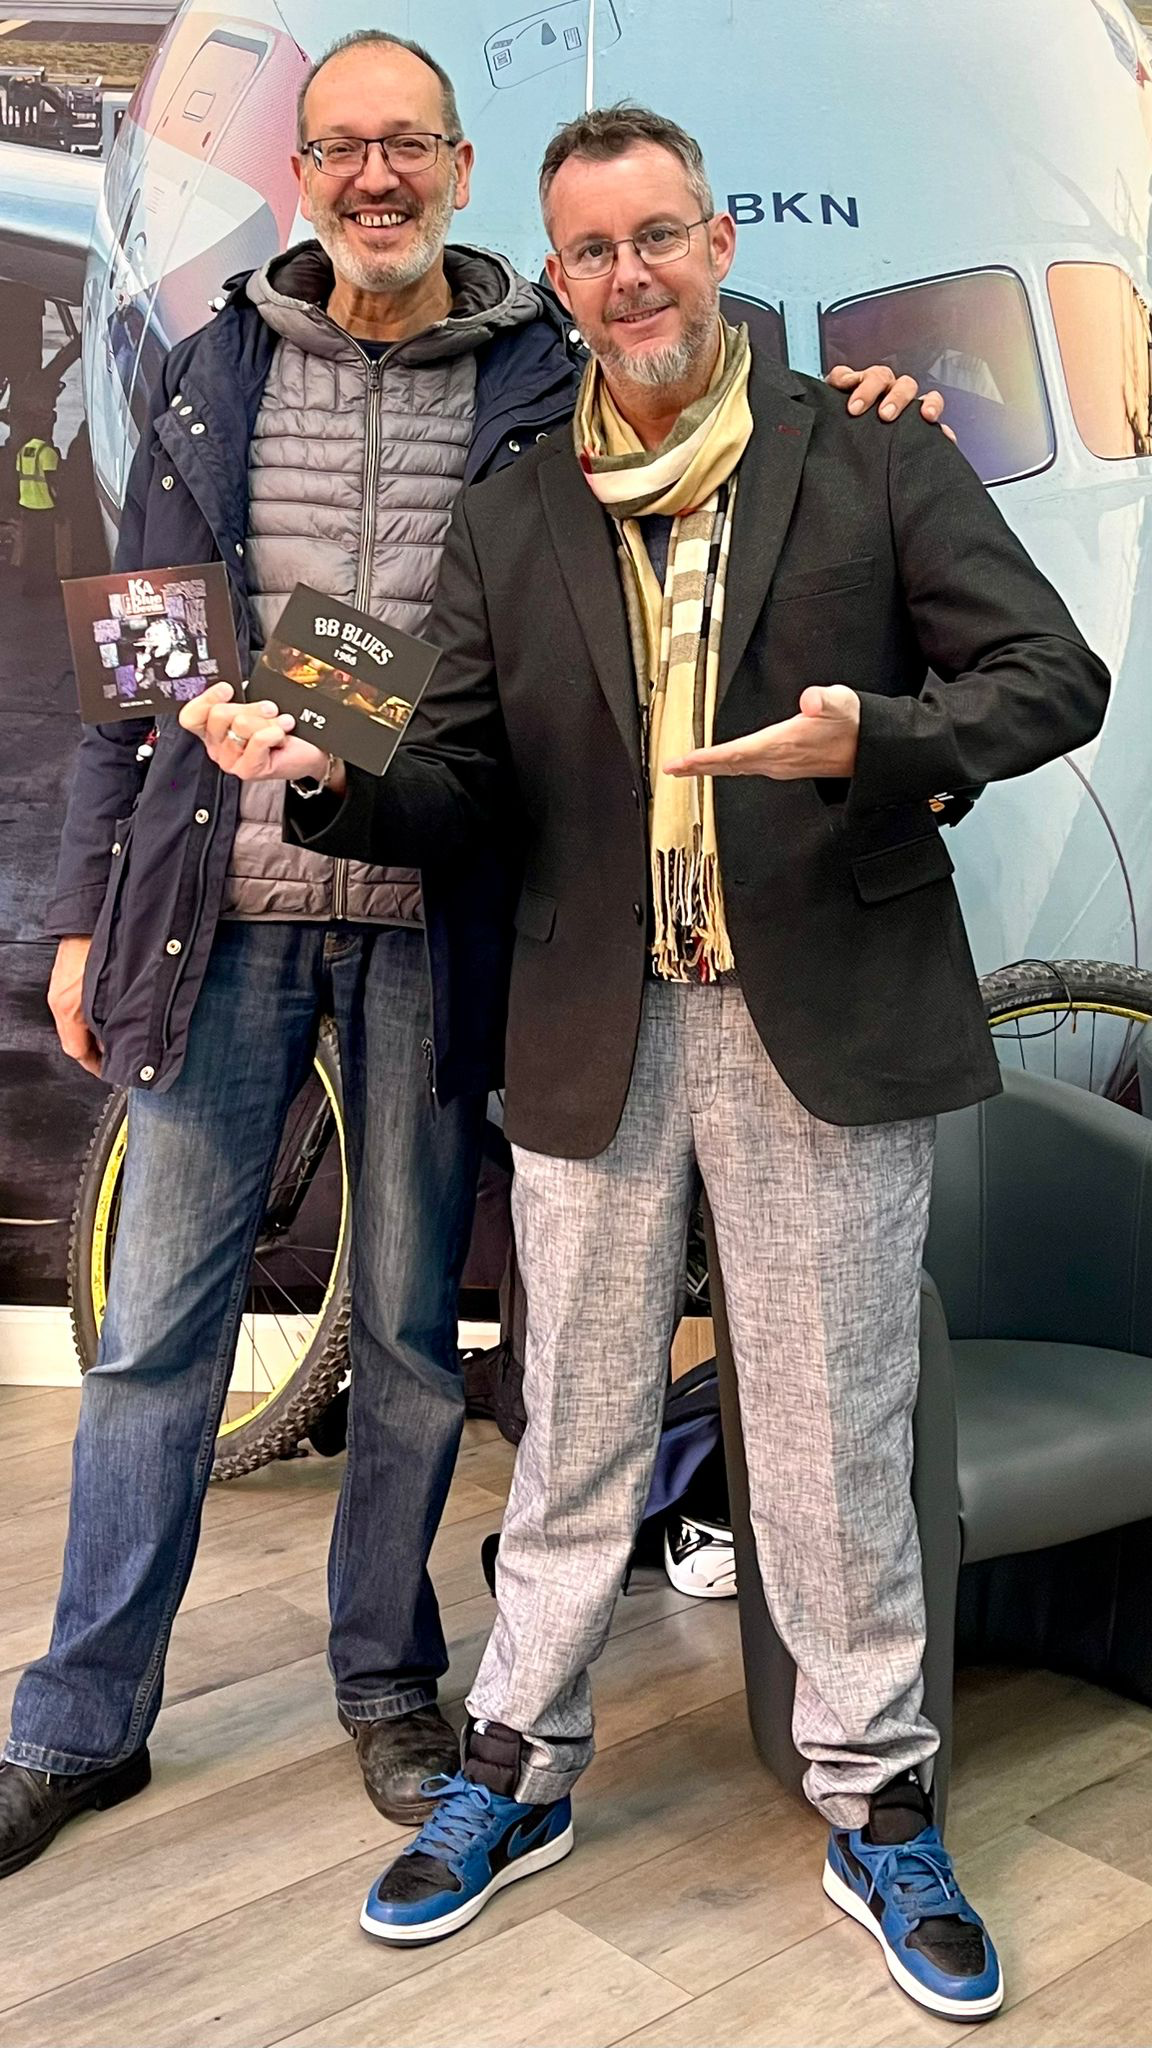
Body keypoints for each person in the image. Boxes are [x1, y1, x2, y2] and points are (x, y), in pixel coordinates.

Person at [191, 104, 1110, 2019]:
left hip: (815, 1014)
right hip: (595, 1023)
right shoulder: (514, 505)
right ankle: (515, 1763)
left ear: (717, 241)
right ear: (561, 275)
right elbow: (454, 778)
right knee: (576, 1419)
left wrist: (873, 738)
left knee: (835, 1426)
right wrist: (323, 777)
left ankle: (876, 1798)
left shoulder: (864, 451)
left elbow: (1048, 676)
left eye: (658, 237)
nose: (630, 278)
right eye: (593, 251)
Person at [0, 44, 923, 1886]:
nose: (375, 176)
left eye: (405, 145)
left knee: (418, 1335)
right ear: (304, 173)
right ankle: (78, 1718)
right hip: (222, 905)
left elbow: (718, 412)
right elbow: (142, 664)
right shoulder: (206, 374)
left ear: (458, 166)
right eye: (341, 147)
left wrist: (871, 408)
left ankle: (390, 1684)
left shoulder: (546, 375)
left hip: (442, 913)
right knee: (158, 1335)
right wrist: (86, 904)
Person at [16, 422, 59, 596]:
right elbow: (52, 483)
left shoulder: (22, 451)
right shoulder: (47, 453)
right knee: (46, 549)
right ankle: (45, 585)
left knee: (31, 547)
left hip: (26, 504)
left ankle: (30, 584)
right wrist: (60, 504)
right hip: (44, 506)